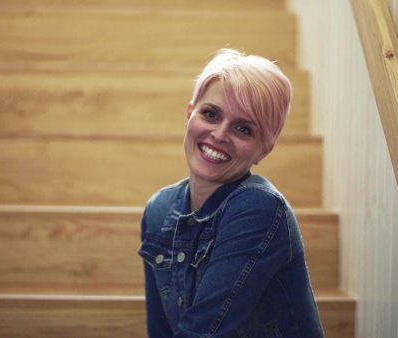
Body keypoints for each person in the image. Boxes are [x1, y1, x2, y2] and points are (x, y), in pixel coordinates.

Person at [138, 49, 323, 337]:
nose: (220, 134)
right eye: (210, 114)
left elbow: (202, 332)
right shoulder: (159, 210)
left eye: (243, 129)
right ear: (189, 115)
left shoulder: (259, 207)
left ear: (264, 149)